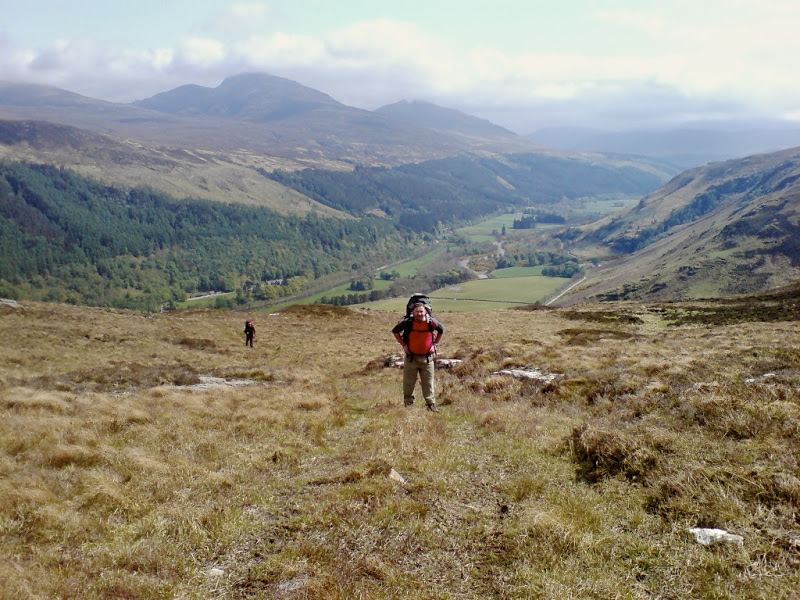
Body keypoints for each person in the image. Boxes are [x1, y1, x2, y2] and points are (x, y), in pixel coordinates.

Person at [392, 302, 445, 412]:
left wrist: (435, 345)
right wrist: (404, 345)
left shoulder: (431, 322)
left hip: (427, 358)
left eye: (421, 311)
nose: (419, 314)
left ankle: (430, 405)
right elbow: (395, 331)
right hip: (411, 358)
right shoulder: (408, 322)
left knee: (428, 383)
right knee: (408, 382)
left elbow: (441, 330)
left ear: (425, 311)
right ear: (413, 312)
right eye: (417, 312)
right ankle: (408, 404)